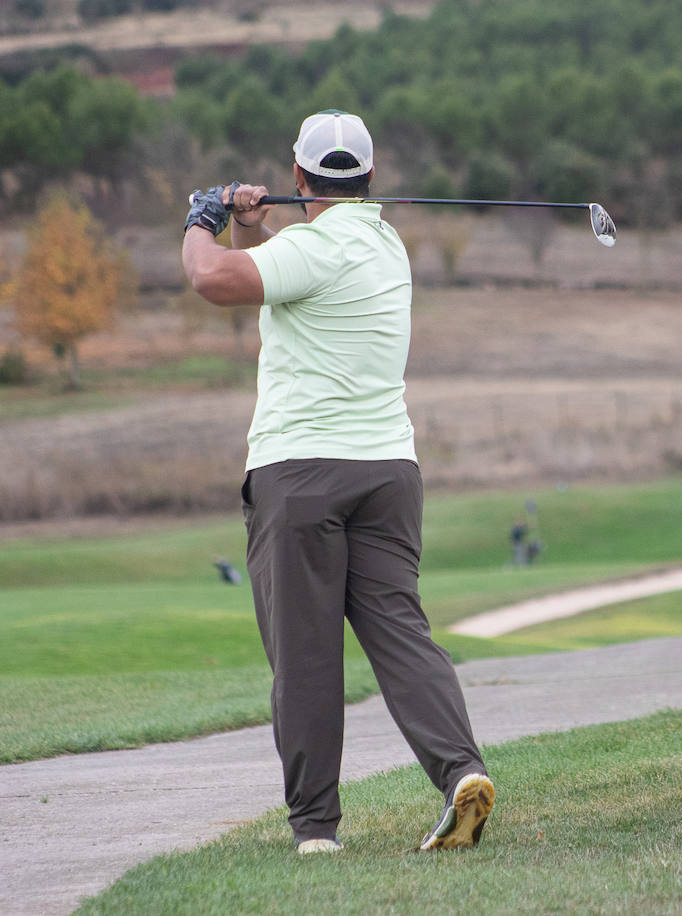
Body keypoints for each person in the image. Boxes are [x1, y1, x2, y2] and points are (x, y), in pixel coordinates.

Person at [180, 110, 492, 855]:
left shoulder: (315, 248)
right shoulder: (385, 247)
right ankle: (461, 773)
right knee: (400, 631)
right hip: (388, 473)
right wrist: (256, 230)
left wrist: (203, 218)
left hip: (302, 477)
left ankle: (316, 830)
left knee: (307, 654)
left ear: (298, 177)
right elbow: (294, 274)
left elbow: (212, 279)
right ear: (371, 178)